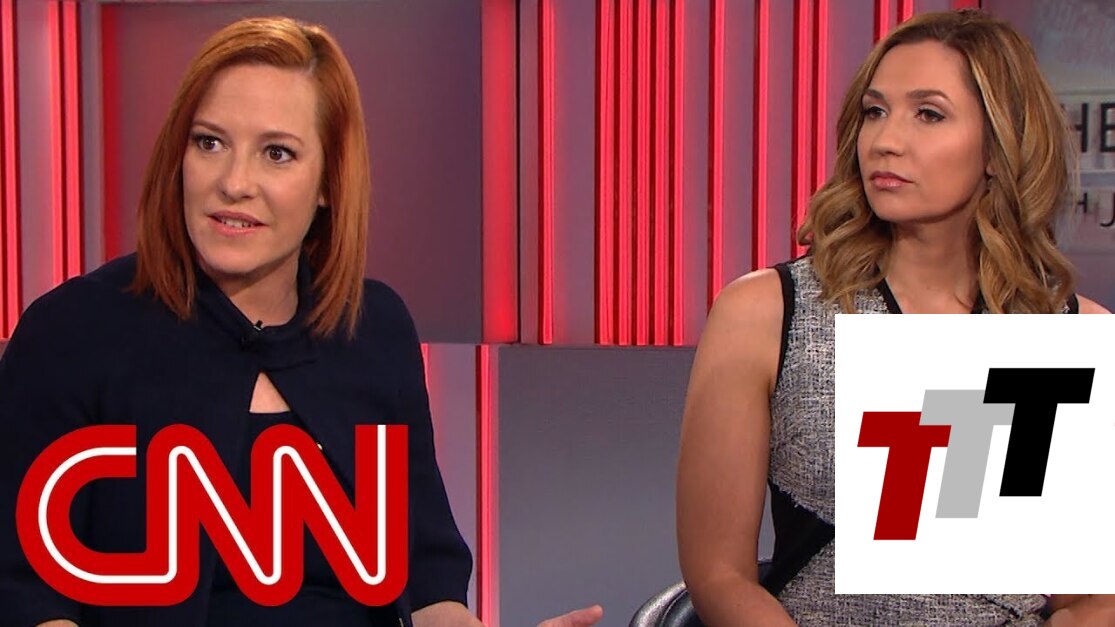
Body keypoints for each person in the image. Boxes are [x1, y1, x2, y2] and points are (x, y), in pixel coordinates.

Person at [0, 16, 602, 627]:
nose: (234, 183)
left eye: (277, 153)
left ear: (327, 183)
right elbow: (24, 594)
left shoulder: (372, 329)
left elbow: (428, 587)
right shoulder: (72, 333)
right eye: (209, 143)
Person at [676, 9, 1114, 626]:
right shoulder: (765, 315)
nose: (885, 140)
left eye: (928, 114)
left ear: (998, 146)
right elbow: (719, 576)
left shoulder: (1075, 335)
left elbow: (1092, 600)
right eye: (875, 111)